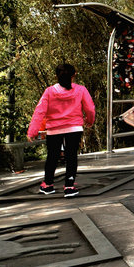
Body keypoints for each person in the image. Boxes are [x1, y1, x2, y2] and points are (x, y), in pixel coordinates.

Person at [28, 62, 98, 196]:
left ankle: (48, 185)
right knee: (71, 156)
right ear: (73, 75)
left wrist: (33, 131)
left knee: (52, 157)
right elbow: (90, 108)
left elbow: (39, 112)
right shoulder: (81, 90)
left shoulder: (49, 92)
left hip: (54, 129)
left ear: (56, 76)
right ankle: (69, 186)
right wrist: (89, 121)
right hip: (74, 128)